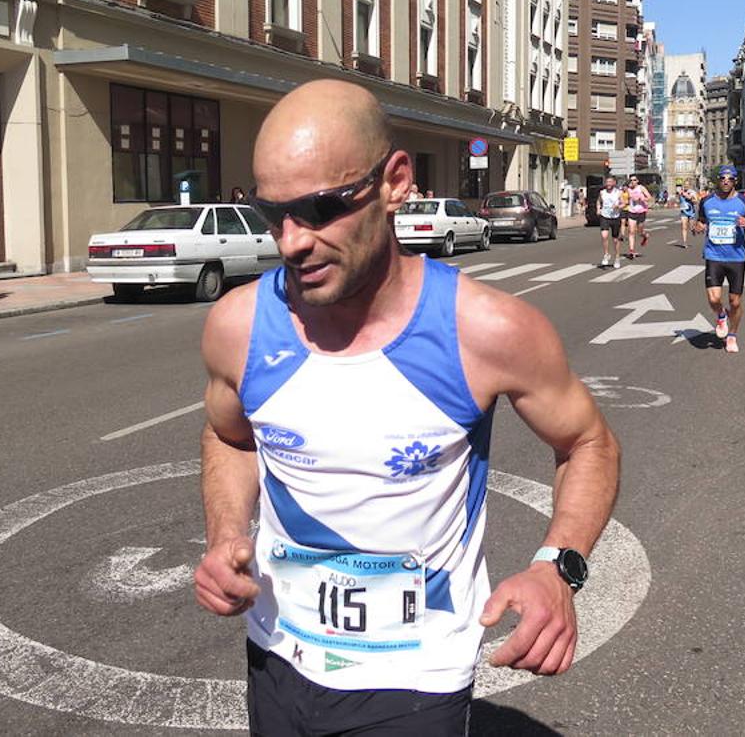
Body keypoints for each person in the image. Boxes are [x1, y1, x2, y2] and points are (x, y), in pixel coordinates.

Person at [193, 80, 620, 735]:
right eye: (272, 214)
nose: (291, 242)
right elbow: (229, 438)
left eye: (319, 208)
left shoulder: (487, 331)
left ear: (394, 182)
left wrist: (558, 568)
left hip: (414, 679)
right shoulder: (239, 325)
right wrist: (226, 535)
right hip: (276, 653)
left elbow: (588, 442)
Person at [691, 165, 745, 354]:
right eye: (723, 178)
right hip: (713, 256)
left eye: (730, 179)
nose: (726, 181)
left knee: (735, 302)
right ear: (718, 180)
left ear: (735, 181)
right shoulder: (706, 202)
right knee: (714, 299)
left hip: (736, 258)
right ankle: (721, 315)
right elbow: (700, 222)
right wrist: (697, 227)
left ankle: (732, 335)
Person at [596, 175, 625, 268]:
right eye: (607, 182)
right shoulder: (602, 192)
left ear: (614, 183)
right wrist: (598, 209)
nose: (608, 184)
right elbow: (598, 201)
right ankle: (606, 254)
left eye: (610, 182)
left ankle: (617, 257)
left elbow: (624, 203)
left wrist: (618, 206)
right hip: (605, 216)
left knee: (615, 240)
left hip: (615, 217)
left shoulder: (618, 192)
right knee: (604, 236)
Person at [623, 176, 653, 259]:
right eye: (631, 180)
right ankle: (631, 251)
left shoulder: (641, 188)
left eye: (634, 180)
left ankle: (645, 236)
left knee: (640, 231)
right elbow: (626, 199)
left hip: (641, 211)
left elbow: (649, 197)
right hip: (631, 211)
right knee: (631, 231)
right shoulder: (628, 189)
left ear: (637, 181)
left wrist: (642, 199)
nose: (632, 181)